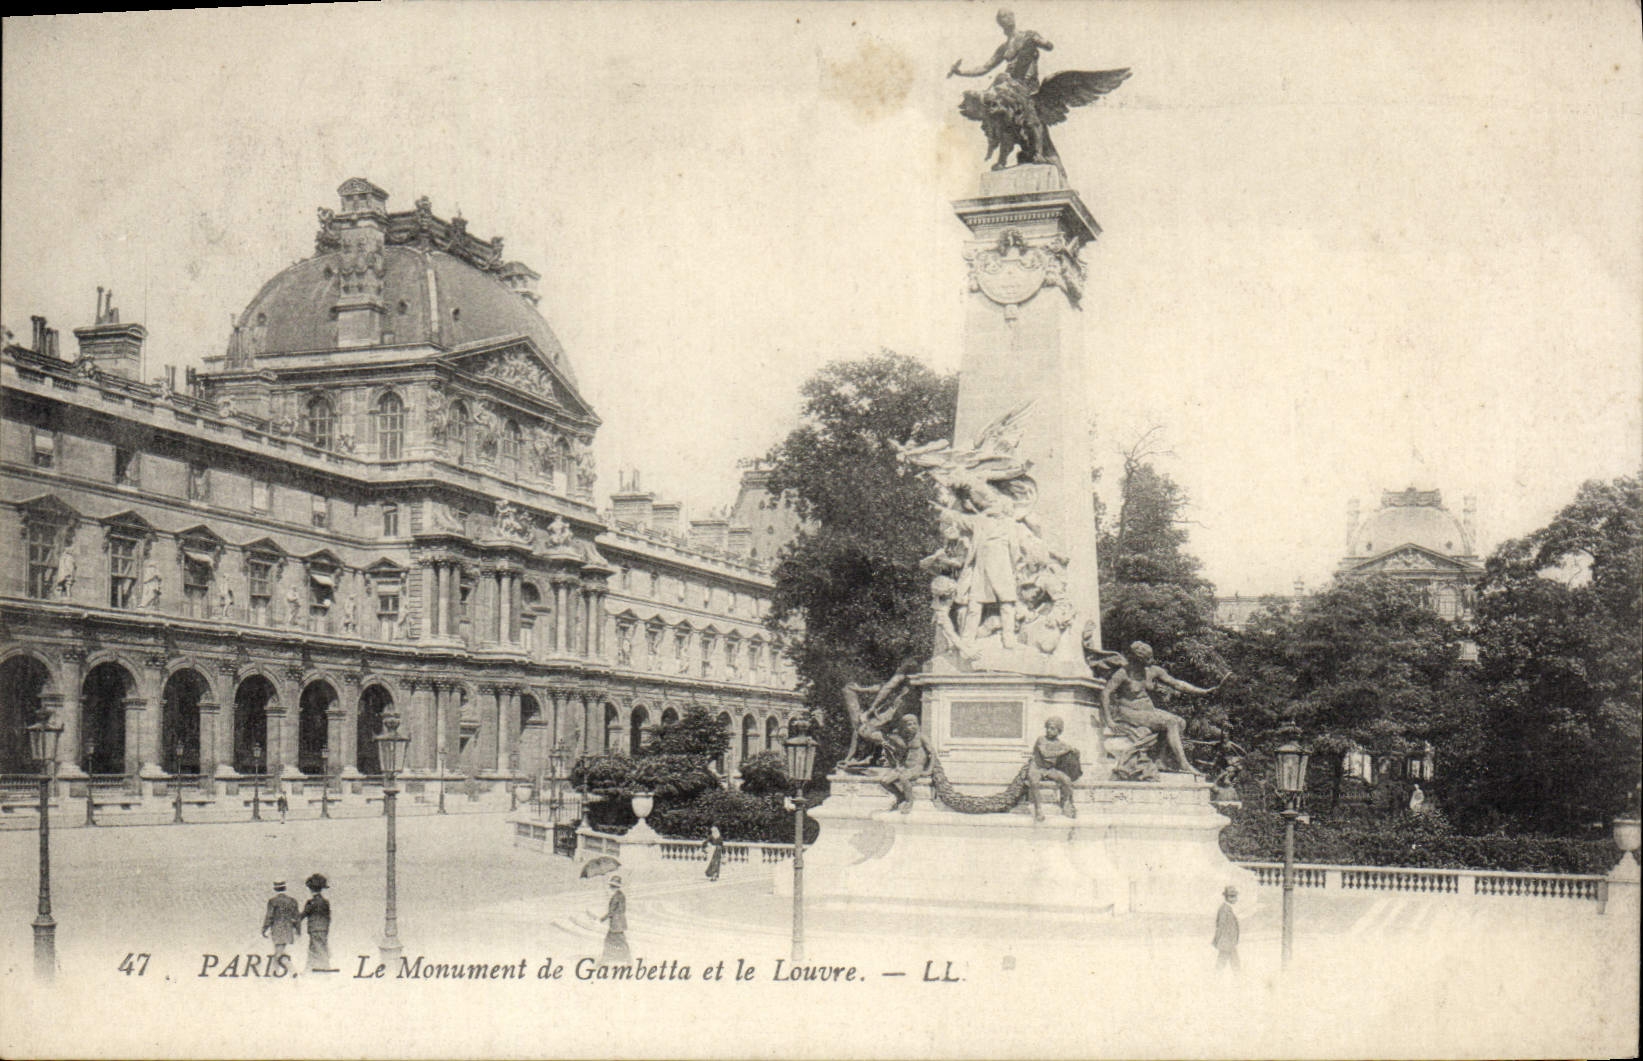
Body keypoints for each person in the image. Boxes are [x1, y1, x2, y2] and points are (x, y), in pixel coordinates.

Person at [1100, 642, 1224, 777]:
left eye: (1150, 659)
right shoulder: (1123, 673)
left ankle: (1161, 759)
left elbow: (1177, 684)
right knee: (1170, 722)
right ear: (1136, 659)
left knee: (1181, 722)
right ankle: (1184, 764)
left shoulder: (1152, 670)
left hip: (1148, 711)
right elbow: (1105, 693)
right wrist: (1109, 720)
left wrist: (1203, 692)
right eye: (1145, 660)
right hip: (1130, 712)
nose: (1149, 663)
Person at [1026, 716, 1082, 822]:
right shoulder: (1041, 739)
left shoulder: (1060, 744)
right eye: (1048, 727)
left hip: (1049, 769)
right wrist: (1065, 751)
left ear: (1059, 731)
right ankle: (1038, 809)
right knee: (1034, 781)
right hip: (1036, 767)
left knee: (1066, 780)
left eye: (1052, 728)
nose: (1049, 730)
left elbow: (1073, 751)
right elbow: (1045, 754)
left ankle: (1065, 803)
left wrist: (1074, 752)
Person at [880, 715, 935, 814]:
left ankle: (909, 801)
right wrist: (890, 749)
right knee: (884, 781)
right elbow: (902, 755)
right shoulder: (907, 738)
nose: (912, 726)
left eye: (914, 724)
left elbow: (932, 753)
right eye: (909, 724)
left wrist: (929, 769)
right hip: (905, 767)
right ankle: (900, 797)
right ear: (904, 726)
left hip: (916, 767)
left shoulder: (921, 737)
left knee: (903, 778)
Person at [300, 873, 335, 972]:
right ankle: (309, 970)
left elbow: (302, 916)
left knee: (317, 950)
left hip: (314, 930)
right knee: (318, 949)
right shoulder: (325, 902)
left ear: (311, 889)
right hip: (324, 929)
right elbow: (328, 918)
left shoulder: (311, 902)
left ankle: (324, 970)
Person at [261, 880, 301, 962]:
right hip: (288, 930)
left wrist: (264, 929)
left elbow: (269, 916)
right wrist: (298, 930)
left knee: (278, 954)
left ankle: (292, 972)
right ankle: (275, 972)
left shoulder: (273, 901)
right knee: (280, 953)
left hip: (277, 930)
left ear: (275, 888)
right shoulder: (292, 900)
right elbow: (297, 917)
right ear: (285, 888)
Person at [598, 876, 631, 966]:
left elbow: (612, 911)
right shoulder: (619, 895)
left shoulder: (617, 896)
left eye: (611, 886)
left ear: (614, 887)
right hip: (618, 923)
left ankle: (628, 960)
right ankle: (606, 959)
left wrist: (602, 919)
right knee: (612, 941)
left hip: (616, 924)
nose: (610, 888)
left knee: (618, 942)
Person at [1213, 886, 1241, 973]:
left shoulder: (1227, 908)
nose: (1235, 898)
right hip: (1226, 942)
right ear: (1226, 897)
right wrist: (1217, 940)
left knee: (1227, 963)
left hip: (1229, 942)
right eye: (1232, 896)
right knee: (1231, 964)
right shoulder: (1224, 909)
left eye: (1235, 896)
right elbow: (1220, 926)